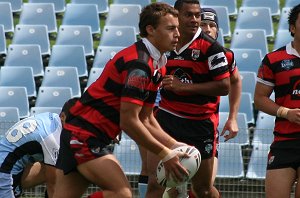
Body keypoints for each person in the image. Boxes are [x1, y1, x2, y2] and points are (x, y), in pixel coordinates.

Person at [53, 3, 190, 198]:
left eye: (177, 27)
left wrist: (174, 145)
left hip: (82, 133)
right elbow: (129, 121)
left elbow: (147, 118)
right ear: (150, 30)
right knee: (121, 194)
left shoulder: (157, 64)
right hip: (85, 135)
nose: (177, 33)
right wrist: (165, 154)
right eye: (170, 28)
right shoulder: (140, 65)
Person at [146, 1, 231, 198]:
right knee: (156, 184)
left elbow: (224, 86)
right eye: (188, 15)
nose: (194, 20)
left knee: (202, 189)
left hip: (200, 124)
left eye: (197, 15)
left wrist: (185, 87)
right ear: (177, 15)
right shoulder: (164, 44)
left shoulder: (212, 48)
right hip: (166, 119)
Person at [254, 4, 300, 198]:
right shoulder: (273, 59)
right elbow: (259, 99)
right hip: (284, 141)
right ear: (292, 27)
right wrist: (286, 113)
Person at [0, 98, 77, 198]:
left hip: (11, 165)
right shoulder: (52, 137)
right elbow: (53, 186)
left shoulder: (53, 119)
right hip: (5, 172)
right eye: (75, 122)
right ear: (62, 116)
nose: (78, 127)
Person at [199, 7, 242, 186]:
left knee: (205, 188)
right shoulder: (173, 52)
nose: (207, 29)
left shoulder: (226, 55)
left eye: (211, 25)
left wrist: (232, 118)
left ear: (217, 30)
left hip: (206, 127)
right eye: (203, 24)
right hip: (171, 125)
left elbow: (236, 81)